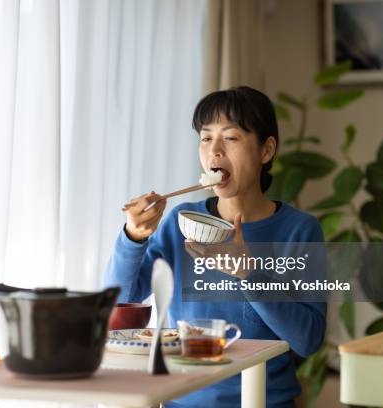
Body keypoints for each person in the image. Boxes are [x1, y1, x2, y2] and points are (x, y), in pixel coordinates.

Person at [104, 86, 327, 407]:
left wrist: (249, 276)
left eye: (231, 137)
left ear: (266, 151)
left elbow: (308, 340)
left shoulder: (299, 230)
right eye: (206, 138)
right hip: (177, 400)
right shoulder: (180, 222)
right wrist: (133, 237)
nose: (215, 151)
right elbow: (117, 304)